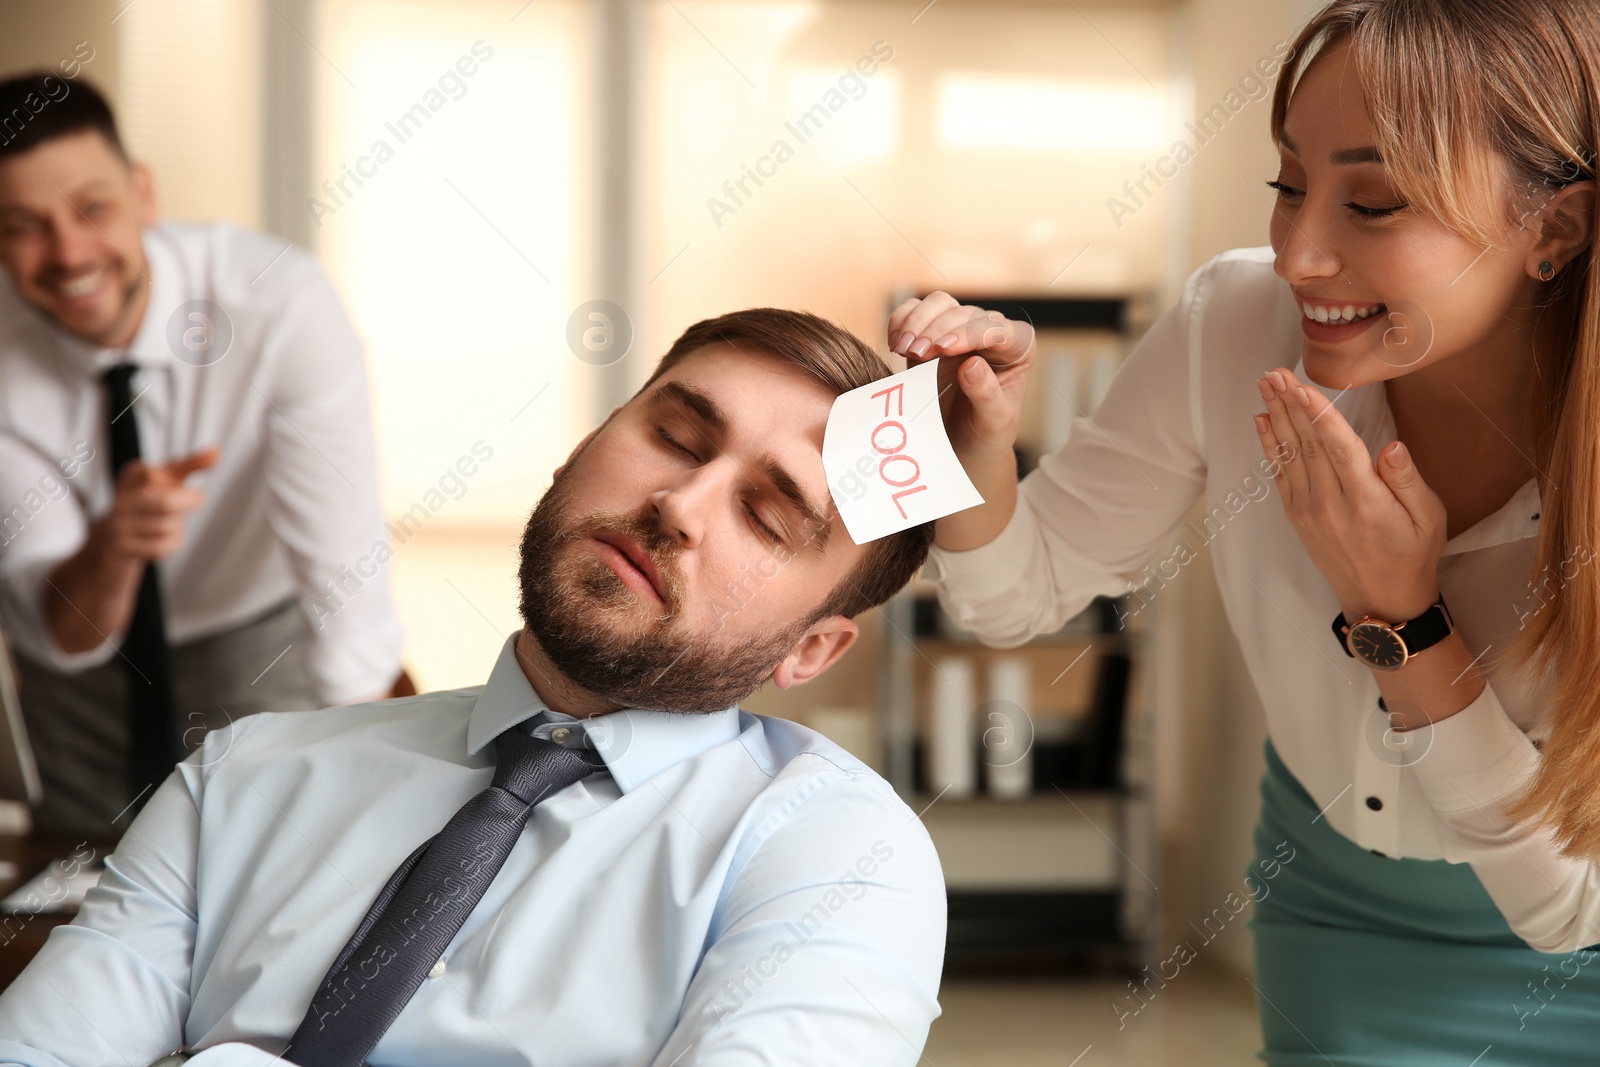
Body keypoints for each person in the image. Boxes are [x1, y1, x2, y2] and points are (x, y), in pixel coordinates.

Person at [889, 0, 1600, 1061]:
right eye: (1288, 186)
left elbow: (1570, 908)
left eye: (1372, 203)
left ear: (1553, 228)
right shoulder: (1233, 324)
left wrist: (1402, 619)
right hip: (1331, 908)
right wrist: (976, 449)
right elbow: (1015, 595)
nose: (1299, 255)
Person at [0, 307, 948, 1066]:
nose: (680, 505)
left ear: (813, 651)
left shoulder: (841, 853)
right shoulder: (239, 778)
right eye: (675, 436)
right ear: (580, 447)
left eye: (769, 516)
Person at [0, 73, 410, 839]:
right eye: (24, 224)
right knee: (85, 897)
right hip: (80, 682)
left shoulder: (276, 301)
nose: (68, 251)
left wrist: (383, 808)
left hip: (257, 637)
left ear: (143, 193)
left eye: (93, 208)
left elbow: (345, 594)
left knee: (276, 855)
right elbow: (65, 628)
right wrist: (117, 546)